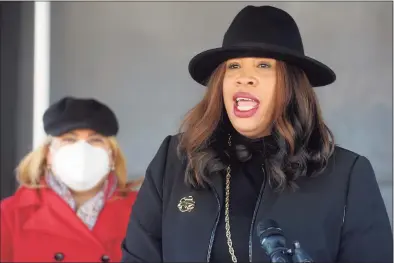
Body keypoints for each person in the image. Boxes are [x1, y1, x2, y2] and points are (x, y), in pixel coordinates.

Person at [121, 5, 393, 263]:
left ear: (292, 86)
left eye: (263, 66)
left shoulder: (347, 175)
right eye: (234, 66)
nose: (244, 77)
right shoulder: (175, 160)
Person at [1, 97, 142, 262]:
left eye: (95, 140)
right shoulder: (11, 214)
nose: (82, 150)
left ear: (111, 156)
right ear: (49, 154)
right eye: (69, 140)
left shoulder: (143, 213)